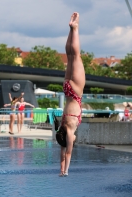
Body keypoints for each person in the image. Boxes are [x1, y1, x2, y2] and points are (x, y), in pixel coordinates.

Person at [56, 12, 85, 176]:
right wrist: (59, 170)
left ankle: (75, 28)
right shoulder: (62, 127)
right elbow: (61, 153)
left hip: (75, 92)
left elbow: (67, 153)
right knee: (70, 56)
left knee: (76, 56)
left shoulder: (69, 131)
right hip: (66, 89)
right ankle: (72, 29)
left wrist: (65, 171)